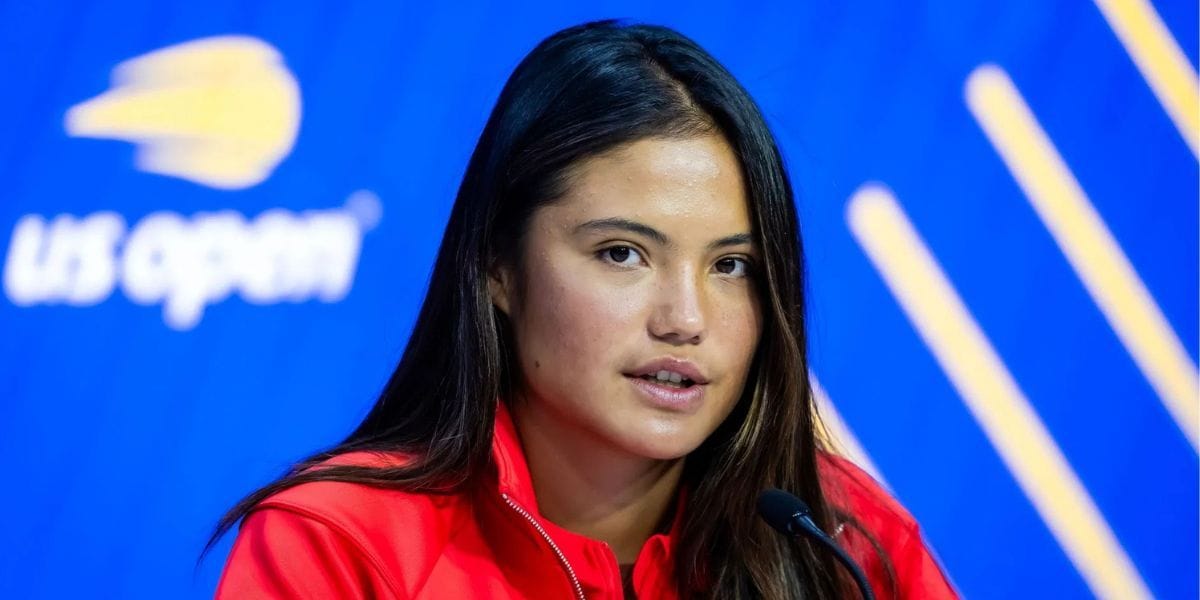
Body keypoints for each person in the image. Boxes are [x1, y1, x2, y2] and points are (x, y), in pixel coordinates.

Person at [206, 19, 958, 599]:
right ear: (498, 265)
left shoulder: (846, 542)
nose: (686, 318)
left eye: (731, 267)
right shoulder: (344, 543)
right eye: (623, 253)